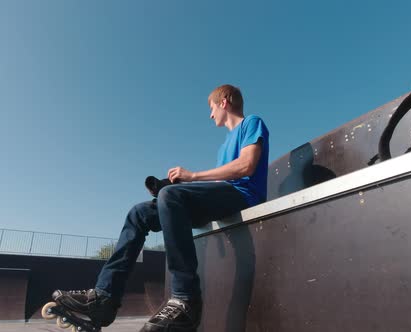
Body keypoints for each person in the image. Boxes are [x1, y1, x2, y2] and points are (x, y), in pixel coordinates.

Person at [51, 84, 269, 332]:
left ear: (224, 102)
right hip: (222, 196)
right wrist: (175, 186)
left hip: (244, 195)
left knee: (171, 196)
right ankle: (104, 297)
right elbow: (218, 183)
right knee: (139, 212)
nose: (210, 115)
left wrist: (193, 176)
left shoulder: (251, 123)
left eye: (211, 108)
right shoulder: (223, 146)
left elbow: (246, 166)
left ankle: (185, 299)